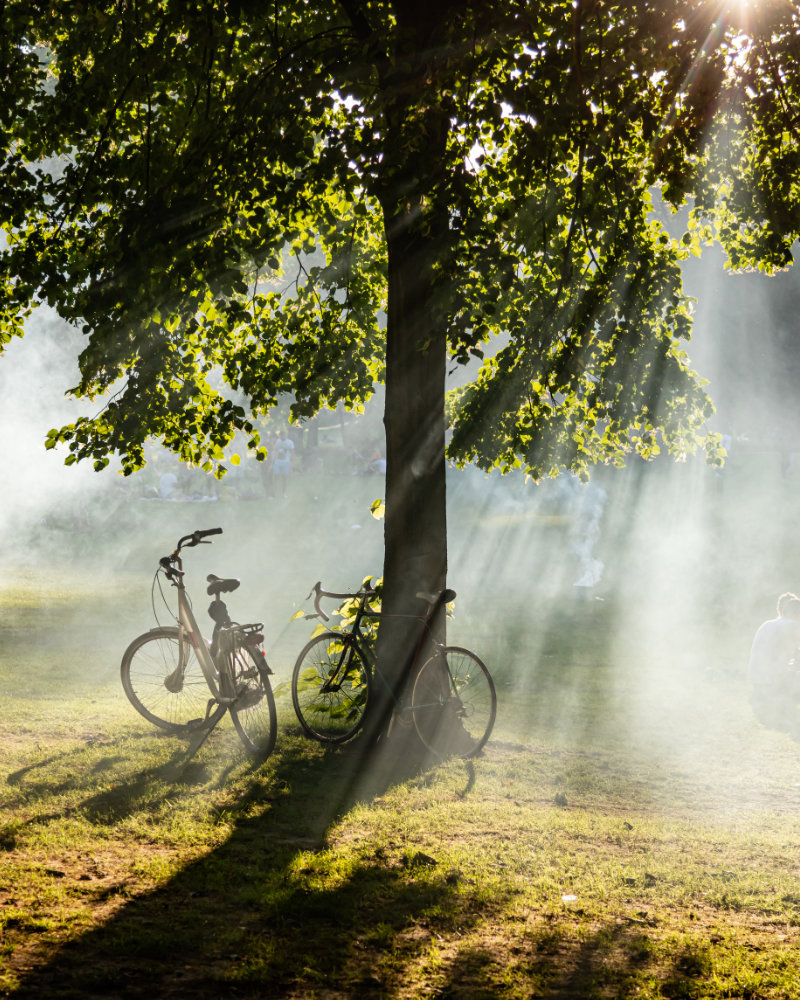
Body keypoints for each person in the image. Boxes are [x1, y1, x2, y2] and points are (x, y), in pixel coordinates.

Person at [748, 592, 800, 731]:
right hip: (774, 683)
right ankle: (782, 704)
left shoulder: (767, 624)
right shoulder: (794, 625)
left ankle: (768, 701)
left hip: (757, 681)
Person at [271, 430, 295, 497]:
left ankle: (284, 493)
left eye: (283, 435)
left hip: (286, 462)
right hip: (277, 462)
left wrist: (292, 462)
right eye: (281, 435)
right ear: (280, 436)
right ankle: (274, 493)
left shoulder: (290, 442)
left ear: (285, 435)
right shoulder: (277, 441)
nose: (282, 437)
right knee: (275, 478)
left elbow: (292, 452)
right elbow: (274, 450)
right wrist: (272, 462)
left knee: (284, 478)